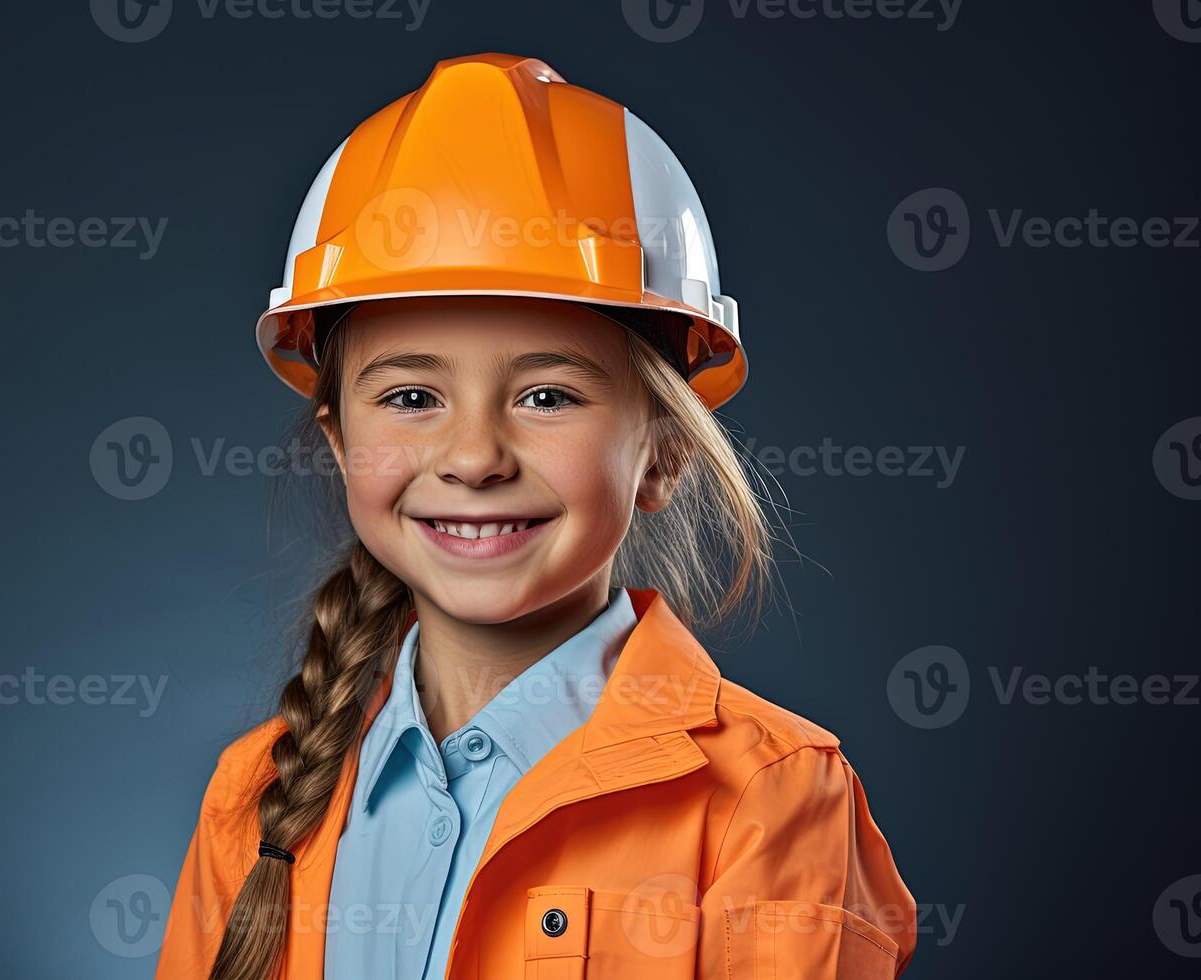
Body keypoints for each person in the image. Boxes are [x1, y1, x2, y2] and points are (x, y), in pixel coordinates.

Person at [155, 53, 918, 980]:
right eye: (409, 397)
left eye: (549, 397)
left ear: (664, 452)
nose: (474, 457)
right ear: (338, 442)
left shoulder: (768, 797)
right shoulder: (259, 794)